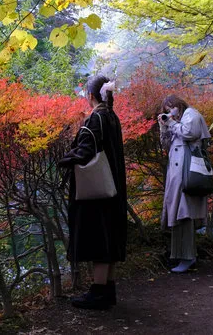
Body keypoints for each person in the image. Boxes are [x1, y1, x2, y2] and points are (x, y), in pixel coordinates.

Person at [58, 75, 127, 310]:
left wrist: (64, 159)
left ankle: (98, 293)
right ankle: (108, 290)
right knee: (109, 238)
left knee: (99, 238)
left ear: (90, 96)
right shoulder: (112, 117)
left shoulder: (96, 118)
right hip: (112, 186)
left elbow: (86, 152)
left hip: (96, 191)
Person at [158, 94, 211, 273]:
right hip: (177, 175)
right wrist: (163, 126)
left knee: (184, 215)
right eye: (166, 111)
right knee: (178, 216)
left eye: (170, 108)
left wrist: (171, 123)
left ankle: (188, 257)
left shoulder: (191, 115)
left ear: (177, 105)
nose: (170, 113)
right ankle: (181, 256)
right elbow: (166, 145)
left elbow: (190, 133)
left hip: (186, 174)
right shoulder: (178, 122)